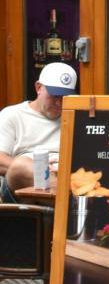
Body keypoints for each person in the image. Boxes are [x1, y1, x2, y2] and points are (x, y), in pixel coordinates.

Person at [2, 63, 79, 200]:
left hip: (66, 176)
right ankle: (71, 200)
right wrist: (42, 170)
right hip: (21, 188)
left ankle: (68, 201)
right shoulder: (13, 115)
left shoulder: (75, 115)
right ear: (39, 88)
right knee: (20, 166)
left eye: (64, 97)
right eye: (55, 96)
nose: (59, 103)